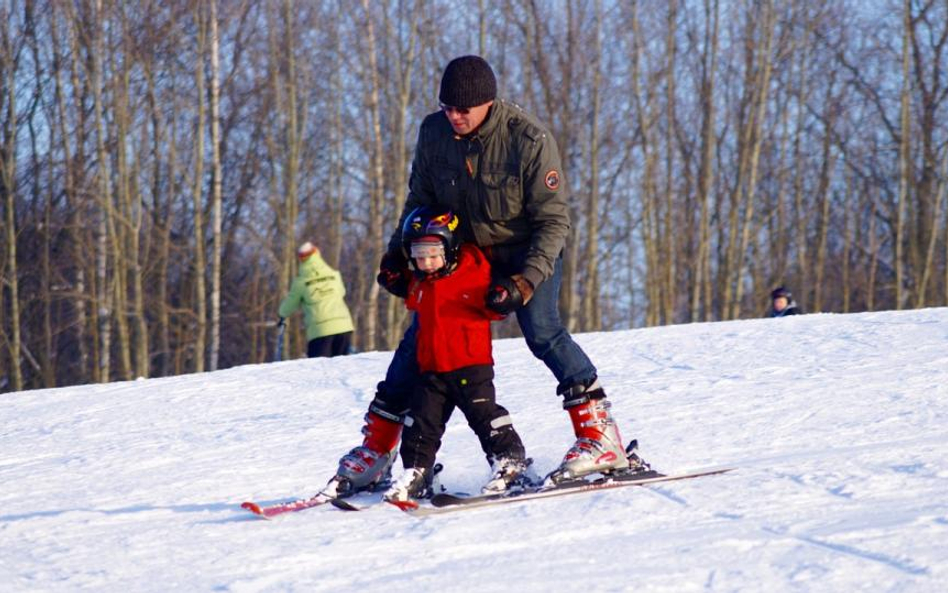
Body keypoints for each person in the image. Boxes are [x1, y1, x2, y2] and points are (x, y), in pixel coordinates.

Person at [327, 54, 645, 498]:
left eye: (463, 110)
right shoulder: (433, 132)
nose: (454, 117)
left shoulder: (528, 139)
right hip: (466, 254)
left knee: (543, 331)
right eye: (447, 108)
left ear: (488, 104)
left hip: (527, 251)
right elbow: (418, 199)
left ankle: (600, 437)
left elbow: (554, 222)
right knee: (423, 337)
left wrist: (525, 281)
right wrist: (399, 254)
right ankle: (377, 450)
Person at [382, 206, 529, 502]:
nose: (426, 262)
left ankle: (509, 462)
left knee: (484, 417)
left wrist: (501, 296)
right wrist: (394, 278)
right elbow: (410, 294)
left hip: (470, 367)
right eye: (419, 255)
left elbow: (494, 309)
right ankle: (417, 473)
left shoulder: (473, 272)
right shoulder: (422, 282)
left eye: (433, 253)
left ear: (450, 248)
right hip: (432, 370)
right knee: (420, 425)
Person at [278, 242, 355, 358]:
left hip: (320, 331)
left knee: (319, 371)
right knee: (341, 369)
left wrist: (281, 314)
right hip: (344, 326)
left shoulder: (301, 281)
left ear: (301, 259)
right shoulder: (334, 274)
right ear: (316, 254)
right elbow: (342, 292)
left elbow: (289, 304)